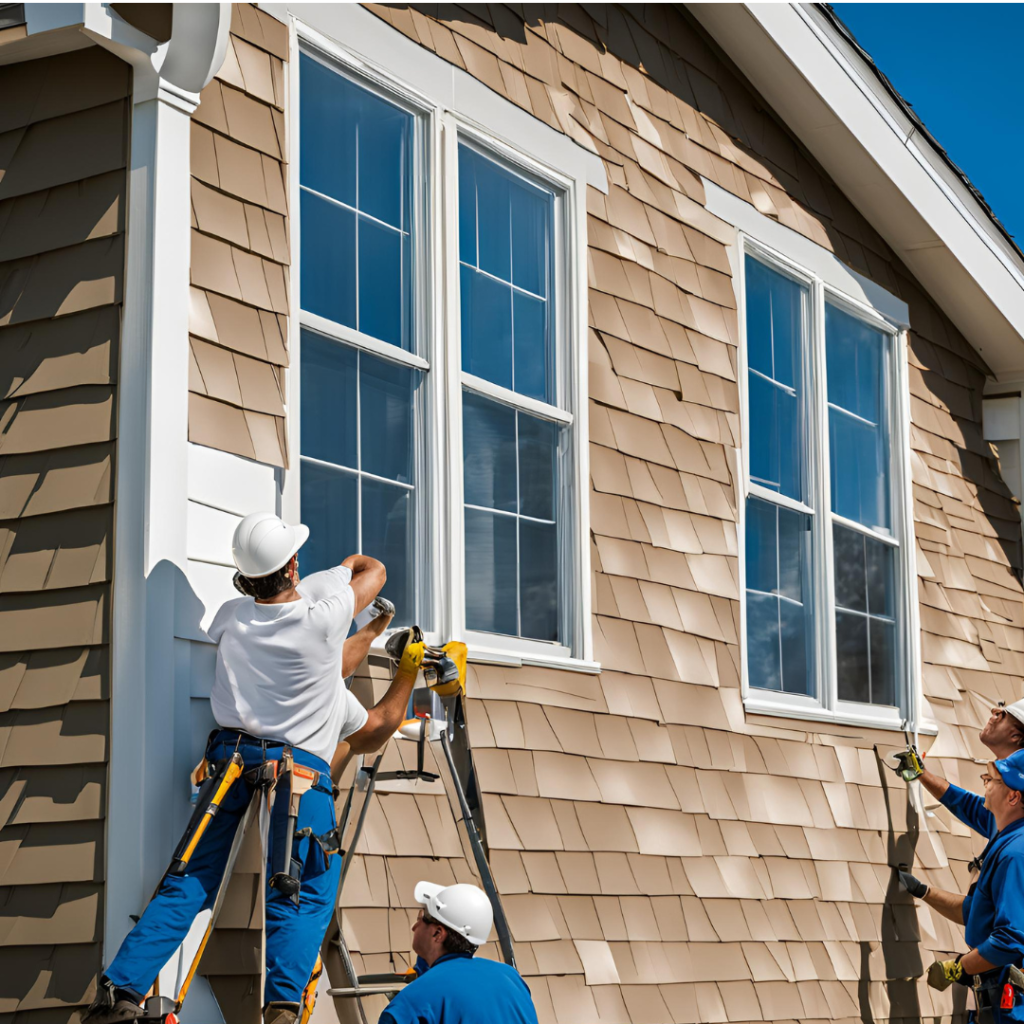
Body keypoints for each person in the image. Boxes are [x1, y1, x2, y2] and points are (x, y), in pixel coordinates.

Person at [84, 512, 427, 1024]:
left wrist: (368, 622)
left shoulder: (231, 616)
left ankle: (118, 995)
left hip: (231, 760)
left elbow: (333, 662)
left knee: (188, 879)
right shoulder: (322, 619)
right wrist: (405, 663)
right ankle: (284, 1010)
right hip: (297, 775)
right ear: (291, 568)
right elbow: (370, 569)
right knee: (299, 890)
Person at [899, 759, 1024, 1022]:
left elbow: (1010, 939)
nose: (984, 782)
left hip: (1009, 1003)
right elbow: (978, 914)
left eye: (992, 780)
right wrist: (924, 892)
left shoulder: (1015, 855)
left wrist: (957, 968)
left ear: (1013, 796)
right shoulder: (1006, 837)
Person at [378, 881, 538, 1024]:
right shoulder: (511, 978)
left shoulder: (410, 1005)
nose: (414, 927)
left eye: (420, 918)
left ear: (437, 933)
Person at [905, 701, 1024, 841]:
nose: (994, 711)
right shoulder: (1005, 806)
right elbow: (969, 805)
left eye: (1002, 715)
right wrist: (922, 774)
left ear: (1015, 737)